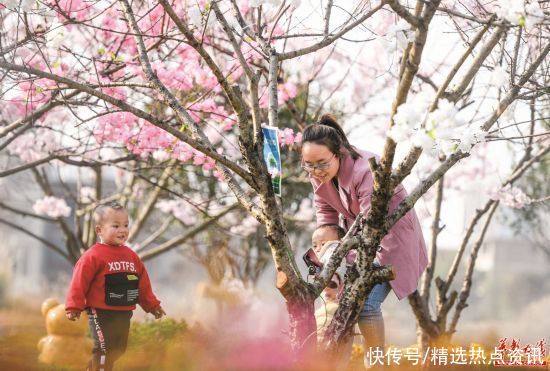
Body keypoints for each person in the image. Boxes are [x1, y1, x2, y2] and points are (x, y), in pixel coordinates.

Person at [301, 114, 428, 369]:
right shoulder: (320, 172)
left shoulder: (365, 171)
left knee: (366, 305)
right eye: (309, 165)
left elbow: (373, 226)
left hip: (391, 244)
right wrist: (326, 246)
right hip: (359, 245)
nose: (315, 172)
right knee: (343, 306)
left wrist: (343, 256)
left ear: (338, 153)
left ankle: (376, 365)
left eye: (321, 164)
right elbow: (325, 212)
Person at [65, 201, 165, 371]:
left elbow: (142, 284)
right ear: (99, 230)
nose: (122, 230)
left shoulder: (131, 256)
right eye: (116, 225)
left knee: (118, 350)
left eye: (126, 225)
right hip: (101, 312)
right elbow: (79, 282)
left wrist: (152, 305)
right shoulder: (93, 256)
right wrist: (74, 306)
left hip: (124, 312)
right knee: (103, 349)